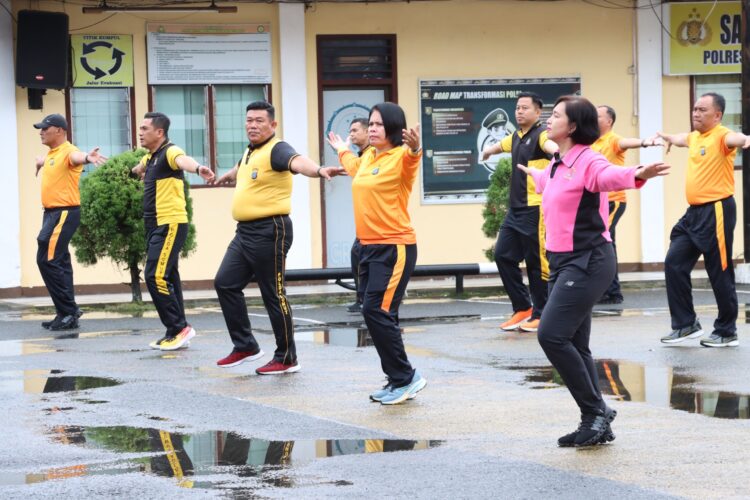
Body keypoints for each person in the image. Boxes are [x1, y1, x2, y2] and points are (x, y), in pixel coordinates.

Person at [518, 95, 668, 447]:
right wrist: (536, 175)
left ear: (571, 126)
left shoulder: (589, 159)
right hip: (563, 262)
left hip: (588, 260)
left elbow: (608, 176)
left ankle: (595, 413)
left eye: (554, 116)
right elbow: (555, 189)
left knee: (551, 335)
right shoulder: (558, 161)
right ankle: (597, 419)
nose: (548, 120)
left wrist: (637, 173)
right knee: (575, 343)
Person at [210, 101, 343, 374]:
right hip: (244, 232)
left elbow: (297, 162)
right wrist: (228, 176)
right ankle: (245, 346)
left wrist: (319, 170)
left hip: (271, 230)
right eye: (249, 120)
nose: (253, 125)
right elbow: (244, 169)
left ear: (273, 125)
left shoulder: (278, 149)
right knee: (225, 283)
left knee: (273, 293)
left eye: (259, 120)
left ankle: (287, 357)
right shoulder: (250, 151)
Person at [328, 102, 426, 405]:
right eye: (370, 123)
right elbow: (356, 170)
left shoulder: (400, 157)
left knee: (376, 311)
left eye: (378, 124)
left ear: (394, 128)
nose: (372, 129)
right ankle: (396, 378)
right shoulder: (370, 155)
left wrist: (415, 148)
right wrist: (342, 151)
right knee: (377, 313)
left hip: (393, 246)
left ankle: (407, 377)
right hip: (369, 246)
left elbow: (412, 160)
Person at [656, 93, 750, 347]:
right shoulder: (696, 136)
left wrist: (746, 140)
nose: (696, 113)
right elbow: (681, 138)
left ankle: (727, 330)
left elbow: (737, 139)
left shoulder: (722, 135)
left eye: (702, 110)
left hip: (717, 209)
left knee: (718, 271)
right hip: (693, 213)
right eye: (694, 109)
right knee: (674, 263)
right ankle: (686, 325)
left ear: (717, 115)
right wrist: (668, 138)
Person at [131, 112, 215, 351]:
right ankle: (175, 331)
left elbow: (183, 161)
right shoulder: (151, 157)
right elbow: (139, 168)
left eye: (145, 128)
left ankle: (180, 328)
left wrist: (198, 168)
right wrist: (131, 171)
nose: (140, 132)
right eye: (140, 127)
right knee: (169, 276)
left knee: (155, 276)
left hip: (170, 223)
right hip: (155, 225)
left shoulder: (170, 152)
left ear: (159, 132)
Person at [481, 92, 558, 333]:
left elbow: (552, 146)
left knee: (537, 263)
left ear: (537, 112)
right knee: (503, 255)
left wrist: (560, 153)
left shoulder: (541, 135)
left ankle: (542, 313)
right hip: (515, 211)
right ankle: (523, 307)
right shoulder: (516, 136)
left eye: (525, 108)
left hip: (536, 210)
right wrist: (488, 152)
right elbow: (500, 145)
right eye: (517, 108)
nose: (519, 111)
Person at [33, 113, 107, 331]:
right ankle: (64, 313)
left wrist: (88, 158)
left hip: (64, 212)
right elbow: (50, 160)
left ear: (60, 131)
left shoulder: (68, 151)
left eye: (45, 128)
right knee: (59, 260)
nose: (41, 132)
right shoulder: (52, 153)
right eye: (40, 129)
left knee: (47, 258)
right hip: (51, 213)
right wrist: (40, 162)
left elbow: (76, 157)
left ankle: (69, 311)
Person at [592, 105, 661, 304]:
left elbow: (626, 142)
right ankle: (611, 292)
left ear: (609, 121)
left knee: (603, 242)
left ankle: (612, 292)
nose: (594, 118)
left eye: (598, 116)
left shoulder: (613, 140)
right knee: (606, 243)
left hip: (613, 201)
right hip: (598, 201)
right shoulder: (591, 141)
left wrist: (645, 143)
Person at [343, 117, 372, 314]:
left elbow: (356, 167)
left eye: (355, 130)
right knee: (357, 255)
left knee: (360, 256)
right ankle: (362, 298)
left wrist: (342, 150)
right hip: (366, 222)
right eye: (350, 130)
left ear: (367, 132)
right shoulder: (364, 154)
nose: (351, 134)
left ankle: (366, 299)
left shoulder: (372, 153)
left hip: (375, 223)